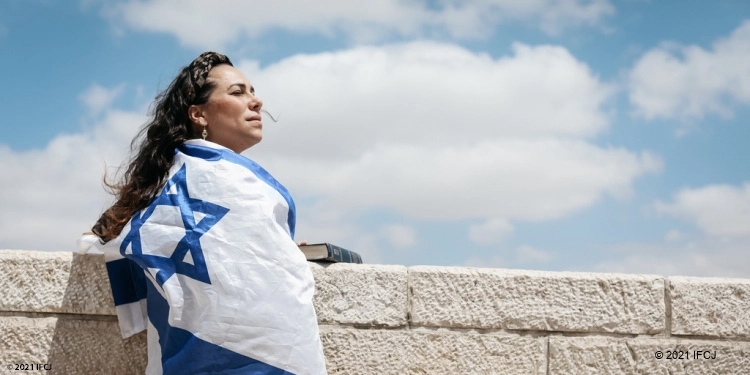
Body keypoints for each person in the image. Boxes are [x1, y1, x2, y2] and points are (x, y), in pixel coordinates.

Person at [82, 52, 327, 375]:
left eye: (253, 91)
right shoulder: (174, 185)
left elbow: (234, 251)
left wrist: (278, 251)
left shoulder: (234, 185)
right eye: (238, 92)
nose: (255, 101)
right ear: (198, 114)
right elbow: (108, 241)